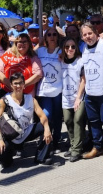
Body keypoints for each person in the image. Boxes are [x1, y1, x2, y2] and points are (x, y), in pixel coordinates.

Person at [0, 72, 53, 169]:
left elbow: (42, 116)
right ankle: (8, 159)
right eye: (15, 83)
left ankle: (41, 157)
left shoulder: (31, 99)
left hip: (26, 132)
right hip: (10, 134)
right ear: (11, 85)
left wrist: (47, 129)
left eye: (20, 83)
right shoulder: (4, 100)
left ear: (24, 85)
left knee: (48, 125)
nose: (18, 86)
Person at [80, 22, 103, 159]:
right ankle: (97, 147)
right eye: (85, 34)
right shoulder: (83, 47)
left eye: (90, 33)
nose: (88, 37)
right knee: (93, 122)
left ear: (96, 33)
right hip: (89, 92)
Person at [35, 28, 63, 164]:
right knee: (46, 116)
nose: (52, 37)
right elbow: (28, 54)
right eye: (49, 35)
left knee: (57, 118)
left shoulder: (61, 51)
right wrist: (39, 43)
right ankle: (45, 143)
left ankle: (55, 142)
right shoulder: (40, 51)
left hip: (58, 90)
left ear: (58, 37)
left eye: (54, 35)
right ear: (45, 38)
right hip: (44, 91)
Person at [61, 37, 86, 163]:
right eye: (67, 47)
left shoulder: (80, 61)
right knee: (68, 120)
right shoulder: (60, 61)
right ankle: (73, 145)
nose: (70, 49)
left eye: (72, 46)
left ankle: (77, 149)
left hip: (79, 97)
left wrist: (78, 98)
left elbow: (83, 80)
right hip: (65, 97)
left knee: (77, 120)